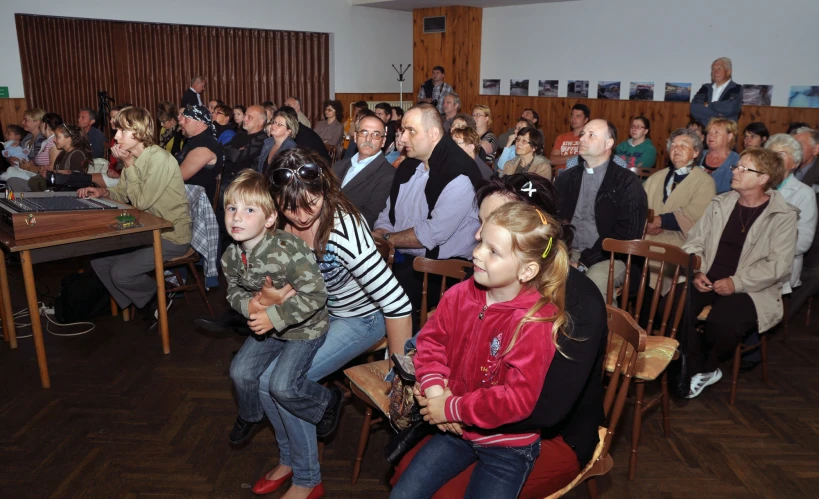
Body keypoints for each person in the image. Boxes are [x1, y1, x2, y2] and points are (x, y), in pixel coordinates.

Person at [391, 173, 608, 498]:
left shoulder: (573, 304)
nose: (476, 239)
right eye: (481, 224)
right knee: (403, 477)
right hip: (466, 417)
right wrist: (434, 389)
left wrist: (452, 408)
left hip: (546, 433)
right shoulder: (485, 282)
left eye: (492, 226)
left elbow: (543, 409)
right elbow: (437, 343)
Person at [248, 148, 412, 499]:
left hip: (362, 317)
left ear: (324, 189)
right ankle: (291, 458)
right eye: (291, 207)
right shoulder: (282, 222)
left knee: (287, 383)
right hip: (320, 308)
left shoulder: (344, 231)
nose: (303, 215)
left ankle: (309, 480)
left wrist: (400, 373)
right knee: (263, 382)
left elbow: (396, 302)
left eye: (312, 203)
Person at [223, 168, 342, 455]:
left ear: (270, 218)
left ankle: (328, 400)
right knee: (239, 372)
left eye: (249, 209)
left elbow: (316, 294)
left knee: (283, 386)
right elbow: (232, 291)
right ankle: (251, 415)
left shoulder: (290, 250)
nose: (237, 216)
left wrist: (272, 316)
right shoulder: (231, 255)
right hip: (269, 327)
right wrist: (249, 305)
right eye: (231, 208)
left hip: (305, 328)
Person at [680, 147, 796, 398]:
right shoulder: (721, 203)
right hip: (707, 275)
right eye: (737, 166)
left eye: (744, 168)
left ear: (764, 178)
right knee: (672, 304)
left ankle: (706, 368)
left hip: (753, 286)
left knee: (722, 323)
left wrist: (737, 282)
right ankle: (693, 364)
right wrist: (697, 269)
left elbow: (779, 265)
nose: (735, 171)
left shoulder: (782, 215)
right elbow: (694, 240)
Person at [78, 106, 192, 328]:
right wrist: (103, 192)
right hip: (146, 232)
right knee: (99, 261)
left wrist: (128, 164)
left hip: (171, 235)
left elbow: (140, 202)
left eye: (121, 131)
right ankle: (147, 301)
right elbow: (123, 192)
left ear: (138, 133)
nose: (116, 136)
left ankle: (155, 297)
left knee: (120, 272)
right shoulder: (134, 157)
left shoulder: (159, 158)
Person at [372, 104, 483, 321]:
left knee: (388, 296)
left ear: (433, 134)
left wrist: (387, 239)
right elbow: (388, 211)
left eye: (410, 130)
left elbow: (431, 234)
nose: (402, 139)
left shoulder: (459, 174)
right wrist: (382, 233)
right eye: (402, 130)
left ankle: (402, 350)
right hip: (402, 257)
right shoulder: (409, 166)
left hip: (442, 272)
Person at [555, 119, 648, 297]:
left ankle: (605, 325)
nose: (582, 138)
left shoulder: (626, 182)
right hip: (569, 252)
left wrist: (584, 262)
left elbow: (625, 235)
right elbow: (554, 221)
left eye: (591, 135)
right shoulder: (566, 179)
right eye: (582, 134)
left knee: (594, 283)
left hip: (611, 256)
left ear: (608, 143)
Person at [643, 128, 716, 248]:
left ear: (696, 152)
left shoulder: (705, 182)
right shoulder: (655, 178)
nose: (676, 149)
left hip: (680, 245)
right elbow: (637, 205)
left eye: (683, 145)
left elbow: (696, 215)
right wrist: (645, 224)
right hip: (645, 240)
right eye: (673, 145)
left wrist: (659, 221)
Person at [332, 114, 395, 227]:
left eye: (376, 135)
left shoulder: (388, 175)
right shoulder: (339, 166)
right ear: (355, 137)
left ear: (383, 141)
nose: (368, 139)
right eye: (364, 132)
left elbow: (370, 217)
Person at [177, 105, 224, 203]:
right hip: (184, 198)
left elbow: (178, 176)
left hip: (196, 205)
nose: (181, 122)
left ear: (199, 124)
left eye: (186, 120)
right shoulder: (194, 141)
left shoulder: (206, 146)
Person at [2, 113, 62, 188]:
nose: (40, 126)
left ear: (45, 125)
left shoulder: (53, 143)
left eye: (41, 123)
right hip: (34, 173)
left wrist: (29, 168)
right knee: (11, 171)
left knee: (12, 180)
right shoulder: (45, 142)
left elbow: (52, 170)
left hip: (43, 180)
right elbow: (32, 160)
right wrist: (22, 163)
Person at [690, 57, 743, 126]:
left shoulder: (737, 88)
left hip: (725, 133)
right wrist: (719, 116)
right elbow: (694, 108)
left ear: (729, 71)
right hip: (704, 132)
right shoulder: (705, 88)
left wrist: (708, 105)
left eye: (719, 68)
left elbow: (730, 108)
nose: (715, 71)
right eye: (713, 69)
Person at [223, 105, 269, 181]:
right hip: (228, 178)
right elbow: (222, 150)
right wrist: (235, 150)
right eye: (245, 116)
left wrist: (233, 151)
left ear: (260, 122)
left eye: (249, 117)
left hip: (244, 182)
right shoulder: (241, 134)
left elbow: (236, 157)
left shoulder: (262, 138)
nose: (244, 119)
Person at [700, 118, 740, 194]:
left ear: (729, 136)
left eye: (716, 132)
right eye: (708, 132)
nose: (710, 136)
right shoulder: (698, 155)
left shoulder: (737, 160)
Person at [549, 104, 590, 169]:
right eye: (572, 116)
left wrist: (562, 159)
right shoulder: (561, 138)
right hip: (561, 173)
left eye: (578, 116)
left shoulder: (589, 139)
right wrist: (576, 156)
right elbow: (552, 160)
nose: (574, 119)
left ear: (586, 120)